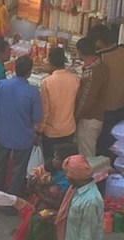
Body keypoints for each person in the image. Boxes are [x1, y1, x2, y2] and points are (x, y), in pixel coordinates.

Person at [0, 56, 43, 200]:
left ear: (14, 68)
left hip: (3, 134)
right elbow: (37, 117)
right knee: (18, 171)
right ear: (29, 72)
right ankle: (12, 202)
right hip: (23, 137)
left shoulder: (1, 85)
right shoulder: (33, 92)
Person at [56, 154, 104, 240]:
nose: (66, 177)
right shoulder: (75, 189)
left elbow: (88, 234)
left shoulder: (90, 201)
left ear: (77, 176)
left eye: (68, 174)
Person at [87, 24, 124, 157]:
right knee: (116, 146)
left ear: (99, 41)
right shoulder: (122, 50)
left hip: (105, 111)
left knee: (103, 148)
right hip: (121, 107)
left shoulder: (100, 59)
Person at [39, 47, 80, 163]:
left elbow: (45, 110)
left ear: (50, 61)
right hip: (69, 129)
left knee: (51, 162)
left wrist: (39, 130)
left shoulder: (47, 82)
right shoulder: (75, 79)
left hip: (51, 131)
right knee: (66, 162)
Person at [75, 37, 109, 158]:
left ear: (80, 52)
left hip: (88, 119)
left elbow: (85, 100)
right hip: (97, 116)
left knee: (86, 157)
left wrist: (75, 117)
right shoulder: (102, 65)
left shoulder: (92, 72)